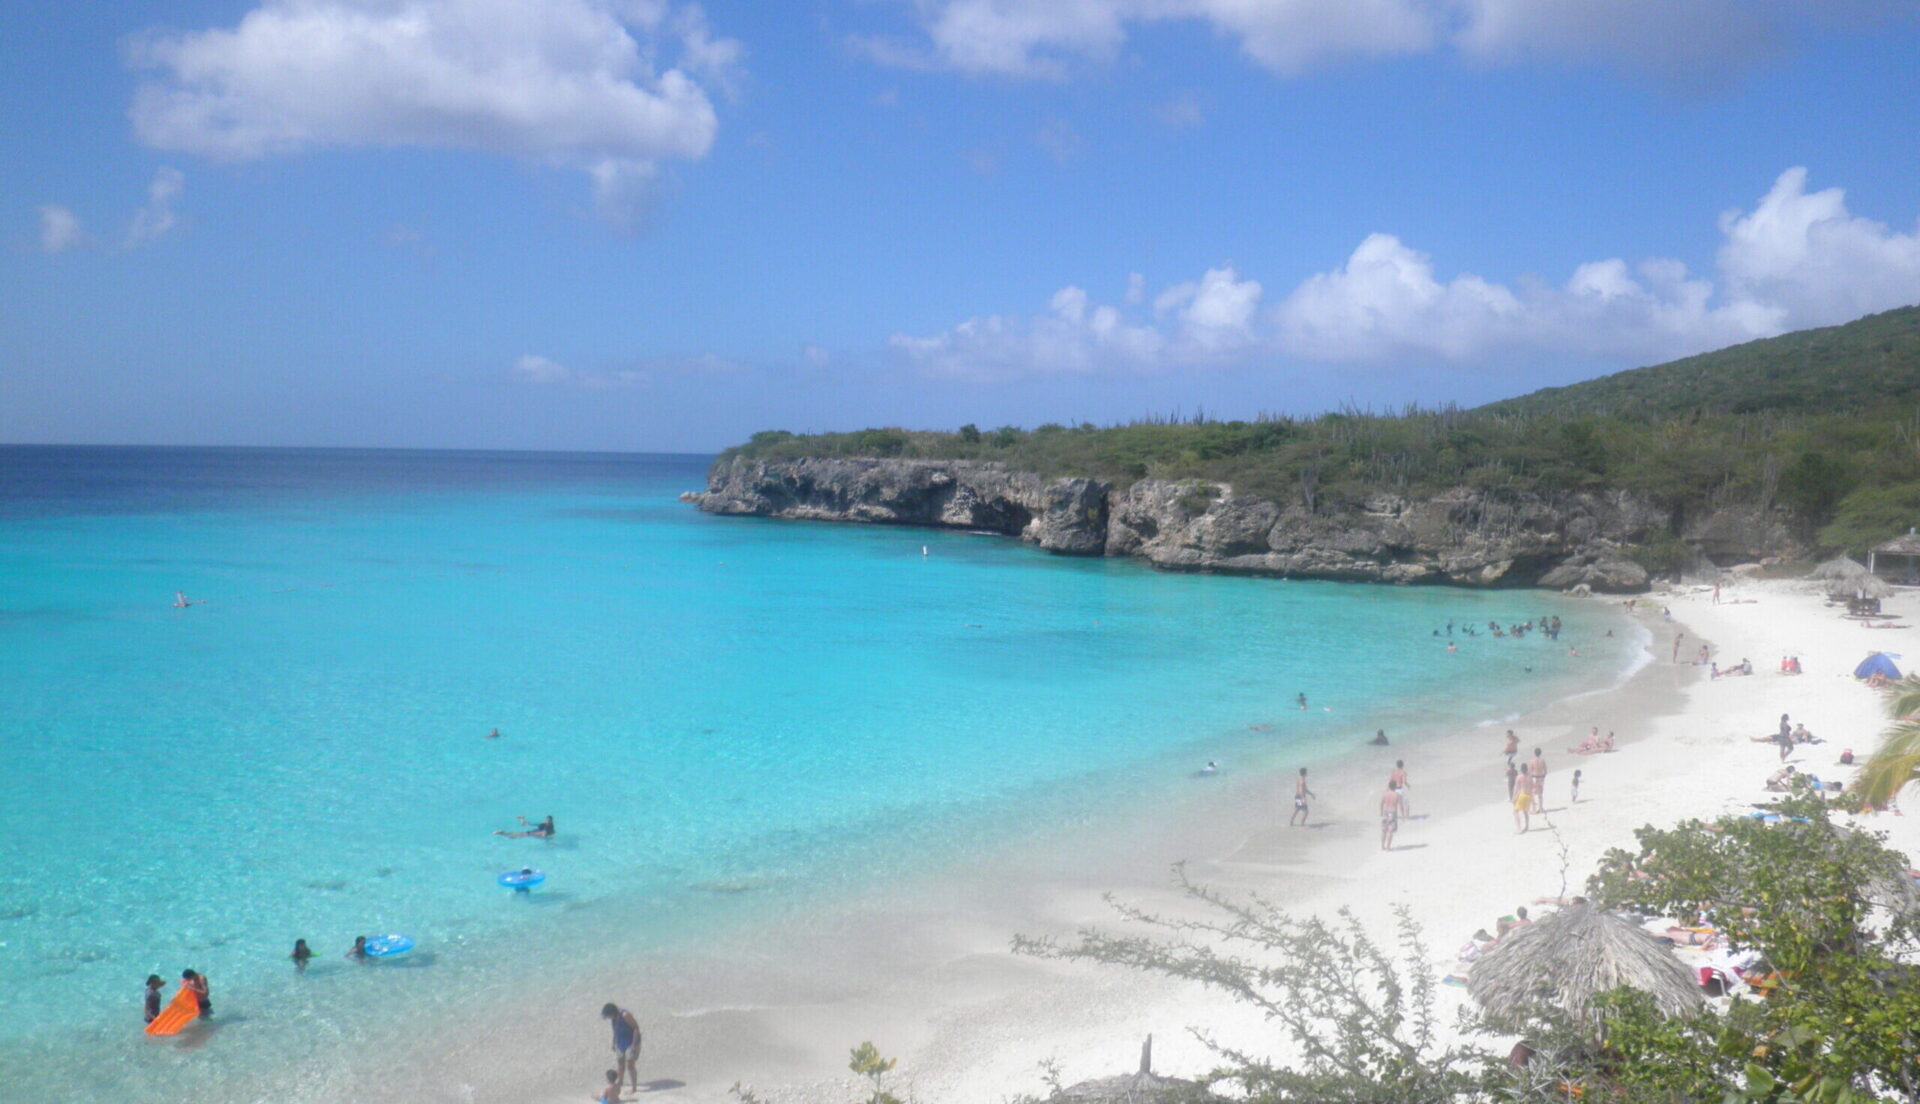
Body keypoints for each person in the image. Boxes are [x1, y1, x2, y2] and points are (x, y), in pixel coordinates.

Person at [602, 1003, 642, 1092]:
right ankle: (620, 1082)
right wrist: (613, 1043)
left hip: (631, 1042)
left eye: (608, 1015)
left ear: (613, 1012)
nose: (608, 1017)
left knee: (630, 1065)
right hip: (620, 1043)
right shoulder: (613, 1019)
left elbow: (636, 1028)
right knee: (620, 1063)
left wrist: (633, 1045)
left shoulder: (625, 1015)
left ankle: (634, 1087)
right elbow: (615, 1031)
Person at [1379, 785, 1403, 851]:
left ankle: (1382, 846)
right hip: (1392, 812)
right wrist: (1403, 815)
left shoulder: (1385, 794)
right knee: (1390, 831)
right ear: (1395, 788)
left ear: (1389, 787)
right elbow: (1400, 805)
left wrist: (1381, 812)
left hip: (1385, 812)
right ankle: (1388, 847)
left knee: (1384, 831)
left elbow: (1381, 804)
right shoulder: (1397, 795)